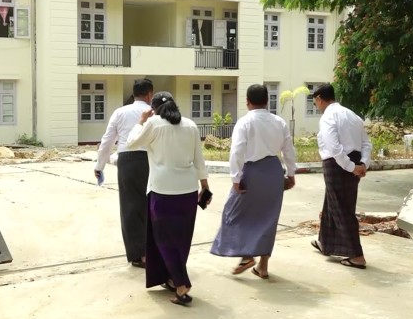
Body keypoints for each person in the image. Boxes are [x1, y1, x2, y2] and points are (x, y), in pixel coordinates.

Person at [125, 91, 210, 306]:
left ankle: (182, 285)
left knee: (163, 240)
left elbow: (131, 143)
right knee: (181, 239)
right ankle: (173, 278)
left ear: (153, 109)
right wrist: (205, 186)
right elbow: (199, 159)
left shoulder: (153, 123)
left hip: (162, 191)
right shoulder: (190, 125)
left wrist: (140, 122)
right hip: (188, 191)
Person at [210, 84, 297, 279]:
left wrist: (235, 178)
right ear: (267, 101)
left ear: (247, 101)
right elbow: (288, 150)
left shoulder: (245, 122)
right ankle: (263, 267)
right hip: (273, 171)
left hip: (252, 172)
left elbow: (237, 152)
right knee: (268, 219)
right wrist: (291, 173)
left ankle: (247, 256)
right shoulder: (279, 122)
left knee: (233, 212)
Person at [309, 83, 373, 269]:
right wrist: (363, 164)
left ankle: (356, 255)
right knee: (331, 202)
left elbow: (334, 147)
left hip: (337, 164)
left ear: (320, 99)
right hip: (353, 161)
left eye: (315, 102)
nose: (316, 105)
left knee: (341, 207)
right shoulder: (352, 115)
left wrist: (351, 167)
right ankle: (326, 242)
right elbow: (366, 144)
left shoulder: (328, 117)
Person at [94, 78, 154, 268]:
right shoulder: (154, 113)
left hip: (127, 160)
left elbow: (107, 141)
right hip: (151, 160)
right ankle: (153, 252)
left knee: (130, 207)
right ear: (150, 94)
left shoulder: (120, 112)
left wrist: (99, 166)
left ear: (133, 93)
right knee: (152, 205)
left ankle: (138, 254)